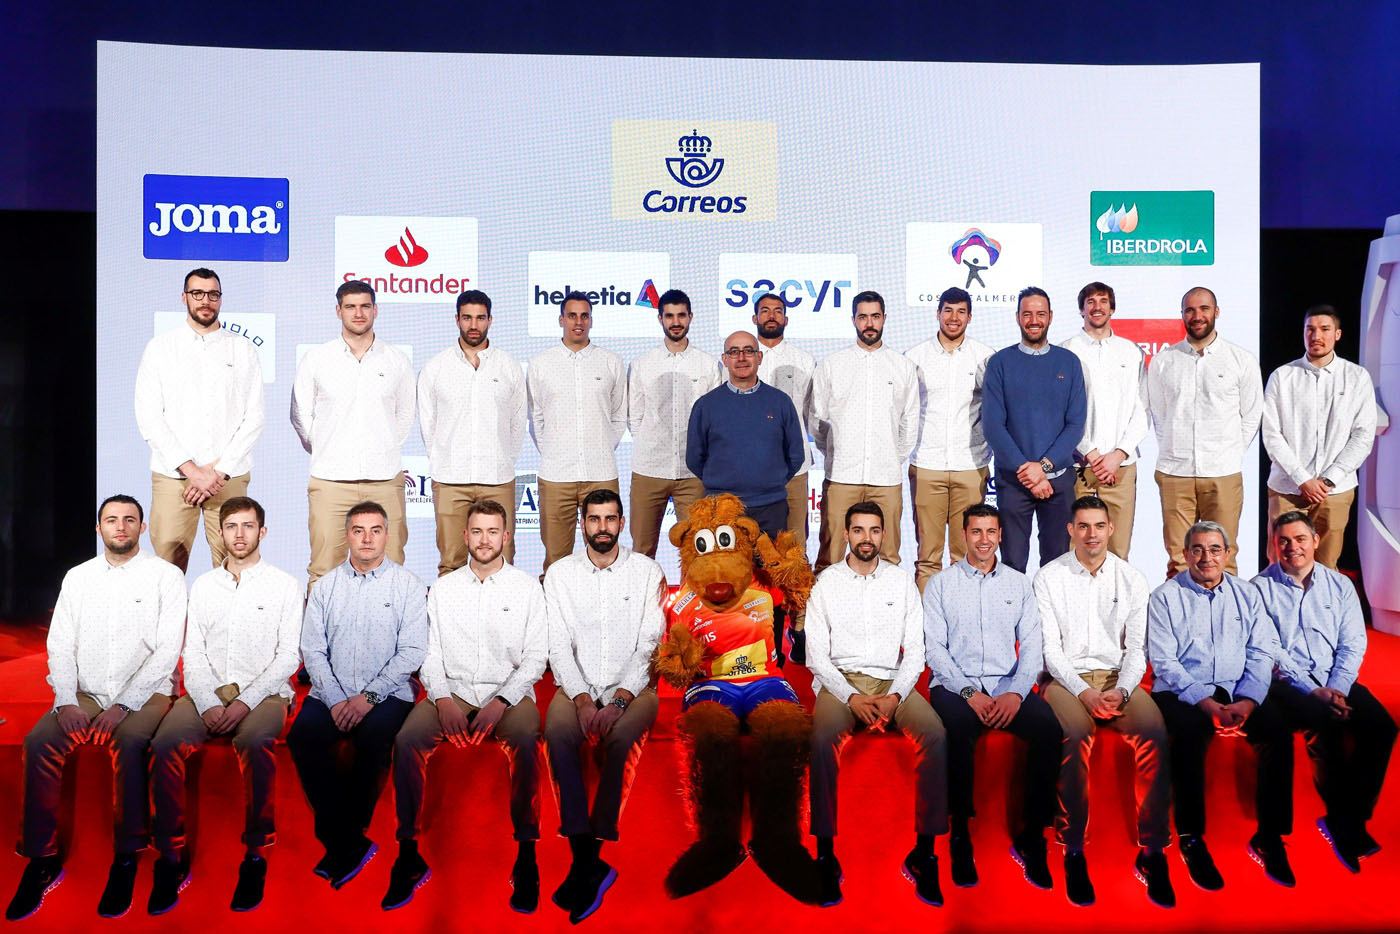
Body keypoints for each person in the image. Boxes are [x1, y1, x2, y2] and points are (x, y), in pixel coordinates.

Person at [6, 495, 185, 921]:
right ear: (98, 528)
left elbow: (166, 651)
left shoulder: (165, 577)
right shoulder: (79, 577)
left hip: (147, 691)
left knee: (128, 742)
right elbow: (60, 644)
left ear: (143, 528)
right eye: (111, 520)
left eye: (129, 520)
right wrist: (66, 700)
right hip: (87, 689)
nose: (120, 526)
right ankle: (41, 858)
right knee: (40, 740)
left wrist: (124, 704)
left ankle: (125, 856)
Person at [388, 498, 547, 912]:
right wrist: (441, 699)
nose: (484, 539)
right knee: (406, 741)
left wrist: (501, 701)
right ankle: (407, 854)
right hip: (453, 689)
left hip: (508, 692)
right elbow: (431, 653)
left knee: (528, 742)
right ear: (465, 536)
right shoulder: (442, 589)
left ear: (506, 537)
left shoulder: (527, 588)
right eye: (477, 531)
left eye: (493, 531)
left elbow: (535, 657)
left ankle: (526, 857)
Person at [147, 496, 302, 913]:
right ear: (222, 532)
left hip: (265, 693)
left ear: (262, 532)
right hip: (206, 692)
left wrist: (244, 703)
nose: (239, 534)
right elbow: (191, 651)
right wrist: (207, 698)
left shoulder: (285, 586)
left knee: (254, 745)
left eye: (247, 526)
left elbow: (288, 657)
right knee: (164, 746)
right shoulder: (202, 585)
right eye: (231, 526)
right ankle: (170, 855)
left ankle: (254, 856)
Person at [1033, 495, 1173, 908]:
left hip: (1118, 679)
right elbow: (1050, 651)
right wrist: (1084, 692)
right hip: (1066, 680)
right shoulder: (1048, 577)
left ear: (1111, 529)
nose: (1091, 534)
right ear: (1070, 530)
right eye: (1083, 526)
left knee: (1153, 732)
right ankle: (1073, 847)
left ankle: (1153, 852)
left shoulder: (1131, 578)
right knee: (1074, 734)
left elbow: (1136, 650)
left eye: (1099, 526)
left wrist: (1123, 690)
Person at [805, 502, 946, 908]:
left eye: (874, 530)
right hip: (841, 684)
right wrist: (850, 697)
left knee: (935, 734)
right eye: (858, 530)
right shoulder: (827, 583)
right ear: (846, 534)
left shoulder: (901, 583)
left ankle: (924, 853)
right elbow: (816, 656)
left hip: (892, 683)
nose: (866, 538)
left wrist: (895, 697)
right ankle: (826, 856)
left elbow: (916, 651)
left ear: (884, 535)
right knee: (821, 740)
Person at [287, 501, 427, 891]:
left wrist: (367, 697)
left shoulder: (409, 586)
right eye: (359, 530)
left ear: (387, 535)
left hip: (387, 694)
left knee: (374, 738)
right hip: (331, 691)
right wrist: (334, 699)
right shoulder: (326, 587)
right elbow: (312, 651)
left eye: (376, 530)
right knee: (302, 738)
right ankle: (347, 842)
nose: (367, 538)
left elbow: (412, 652)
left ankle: (344, 841)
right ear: (347, 535)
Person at [922, 503, 1062, 892]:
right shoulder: (940, 585)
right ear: (963, 535)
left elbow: (1033, 646)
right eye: (975, 532)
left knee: (1049, 731)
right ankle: (960, 835)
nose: (983, 540)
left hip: (1006, 684)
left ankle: (1033, 836)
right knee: (958, 729)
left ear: (1000, 535)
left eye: (990, 532)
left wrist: (1017, 692)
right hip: (955, 684)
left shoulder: (1019, 584)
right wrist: (967, 692)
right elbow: (934, 650)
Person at [1147, 520, 1294, 889]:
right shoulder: (1164, 596)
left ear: (1228, 555)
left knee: (1277, 731)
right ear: (1185, 555)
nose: (1206, 557)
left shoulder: (1248, 595)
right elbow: (1164, 661)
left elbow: (1261, 651)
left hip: (1237, 688)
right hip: (1181, 692)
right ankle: (1191, 839)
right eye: (1197, 549)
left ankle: (1270, 837)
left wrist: (1248, 700)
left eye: (1214, 549)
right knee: (1190, 734)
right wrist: (1205, 702)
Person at [543, 489, 666, 921]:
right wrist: (579, 699)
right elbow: (557, 646)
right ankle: (587, 861)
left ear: (621, 523)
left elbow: (650, 646)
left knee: (621, 740)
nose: (602, 528)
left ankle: (589, 856)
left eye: (610, 519)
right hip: (575, 687)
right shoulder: (559, 575)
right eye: (593, 520)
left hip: (634, 691)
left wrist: (616, 701)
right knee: (557, 735)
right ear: (582, 525)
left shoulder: (648, 572)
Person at [1253, 511, 1397, 872]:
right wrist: (1314, 691)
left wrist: (1336, 688)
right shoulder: (1258, 589)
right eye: (1283, 540)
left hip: (1335, 679)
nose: (1292, 547)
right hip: (1286, 682)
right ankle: (1339, 824)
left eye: (1300, 539)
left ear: (1315, 540)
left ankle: (1349, 819)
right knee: (1323, 722)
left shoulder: (1340, 586)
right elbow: (1271, 652)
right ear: (1274, 545)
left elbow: (1353, 643)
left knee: (1382, 727)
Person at [134, 267, 264, 571]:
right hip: (173, 476)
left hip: (228, 477)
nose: (205, 300)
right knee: (167, 568)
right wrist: (192, 471)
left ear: (220, 299)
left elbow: (254, 417)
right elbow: (149, 416)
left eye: (213, 294)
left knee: (234, 565)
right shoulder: (160, 349)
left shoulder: (242, 348)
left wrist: (217, 473)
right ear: (184, 298)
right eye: (197, 294)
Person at [290, 282, 415, 588]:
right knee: (323, 570)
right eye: (350, 306)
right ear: (338, 311)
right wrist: (325, 447)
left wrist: (380, 447)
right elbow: (300, 415)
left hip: (384, 478)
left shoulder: (396, 360)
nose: (358, 313)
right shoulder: (317, 359)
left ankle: (389, 637)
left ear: (375, 309)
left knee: (392, 567)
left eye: (365, 306)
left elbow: (404, 417)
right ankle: (320, 638)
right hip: (330, 479)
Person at [1147, 287, 1263, 577]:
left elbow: (1251, 416)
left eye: (1204, 309)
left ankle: (1227, 620)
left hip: (1222, 472)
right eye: (1190, 310)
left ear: (1216, 312)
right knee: (1178, 559)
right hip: (1175, 471)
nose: (1197, 316)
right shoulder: (1164, 361)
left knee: (1224, 555)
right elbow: (1159, 415)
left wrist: (1231, 453)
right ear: (1182, 315)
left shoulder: (1241, 359)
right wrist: (1175, 447)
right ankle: (1181, 621)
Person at [1261, 305, 1378, 568]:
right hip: (1286, 488)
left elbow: (1362, 436)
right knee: (1280, 564)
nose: (1316, 335)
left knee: (1326, 567)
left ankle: (1324, 610)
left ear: (1337, 334)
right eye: (1310, 329)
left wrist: (1327, 480)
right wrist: (1303, 479)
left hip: (1335, 490)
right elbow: (1271, 434)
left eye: (1324, 329)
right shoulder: (1283, 376)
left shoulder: (1356, 377)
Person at [417, 289, 526, 573]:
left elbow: (518, 422)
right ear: (457, 319)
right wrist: (444, 460)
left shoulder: (509, 367)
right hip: (450, 479)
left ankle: (502, 617)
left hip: (497, 478)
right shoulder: (436, 367)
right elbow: (428, 425)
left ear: (490, 319)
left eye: (480, 318)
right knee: (451, 562)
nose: (474, 325)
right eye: (467, 318)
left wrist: (502, 459)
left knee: (503, 562)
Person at [810, 290, 919, 572]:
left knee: (889, 558)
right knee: (830, 555)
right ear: (853, 320)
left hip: (886, 478)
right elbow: (817, 421)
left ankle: (888, 615)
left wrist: (893, 458)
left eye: (875, 316)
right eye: (862, 317)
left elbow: (909, 422)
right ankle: (825, 616)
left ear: (884, 319)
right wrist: (837, 451)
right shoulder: (832, 365)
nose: (869, 323)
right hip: (842, 476)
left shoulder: (903, 366)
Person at [982, 287, 1087, 572]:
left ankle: (1049, 619)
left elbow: (1076, 424)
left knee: (1057, 565)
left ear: (1050, 317)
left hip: (1059, 481)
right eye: (1027, 314)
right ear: (1017, 317)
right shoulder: (1001, 363)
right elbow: (993, 426)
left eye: (1040, 313)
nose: (1034, 320)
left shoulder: (1069, 362)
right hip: (1014, 483)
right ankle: (1014, 618)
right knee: (1012, 563)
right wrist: (1028, 472)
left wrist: (1042, 466)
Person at [527, 291, 627, 573]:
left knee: (605, 555)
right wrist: (556, 451)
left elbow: (619, 415)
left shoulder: (611, 362)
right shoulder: (541, 363)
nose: (578, 322)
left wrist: (602, 446)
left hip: (601, 473)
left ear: (591, 320)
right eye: (572, 315)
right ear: (561, 319)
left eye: (584, 315)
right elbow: (536, 417)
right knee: (556, 558)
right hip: (556, 475)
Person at [905, 286, 994, 591]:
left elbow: (996, 411)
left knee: (965, 555)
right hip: (927, 464)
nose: (953, 318)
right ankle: (927, 633)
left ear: (970, 316)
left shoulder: (985, 357)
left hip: (970, 465)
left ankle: (963, 629)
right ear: (938, 313)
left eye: (960, 311)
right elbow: (903, 410)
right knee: (928, 557)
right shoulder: (915, 357)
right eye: (948, 310)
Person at [627, 289, 720, 559]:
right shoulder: (643, 364)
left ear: (690, 317)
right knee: (642, 550)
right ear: (660, 319)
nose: (676, 322)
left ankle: (699, 602)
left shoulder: (708, 365)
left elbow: (713, 419)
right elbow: (635, 417)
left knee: (700, 550)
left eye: (681, 315)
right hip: (649, 470)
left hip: (693, 473)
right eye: (669, 316)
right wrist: (652, 443)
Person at [686, 330, 804, 538]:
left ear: (759, 357)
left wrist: (769, 483)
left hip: (771, 507)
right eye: (734, 352)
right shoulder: (706, 405)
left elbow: (795, 456)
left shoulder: (780, 402)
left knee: (770, 570)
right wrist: (721, 486)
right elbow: (694, 458)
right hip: (721, 508)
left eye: (748, 351)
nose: (741, 358)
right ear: (724, 359)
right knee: (725, 571)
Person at [1059, 282, 1148, 559]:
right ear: (1081, 309)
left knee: (1119, 549)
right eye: (1091, 301)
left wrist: (1116, 455)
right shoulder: (1066, 351)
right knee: (1076, 550)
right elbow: (1062, 410)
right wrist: (1092, 453)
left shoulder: (1131, 351)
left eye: (1103, 301)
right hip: (1078, 464)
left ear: (1112, 307)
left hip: (1120, 466)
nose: (1097, 307)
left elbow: (1142, 409)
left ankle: (1117, 603)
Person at [753, 291, 818, 548]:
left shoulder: (804, 361)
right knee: (750, 543)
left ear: (786, 319)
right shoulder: (739, 359)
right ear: (755, 317)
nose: (771, 316)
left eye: (778, 311)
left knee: (795, 544)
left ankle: (796, 589)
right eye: (765, 310)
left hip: (793, 468)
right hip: (748, 468)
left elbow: (813, 415)